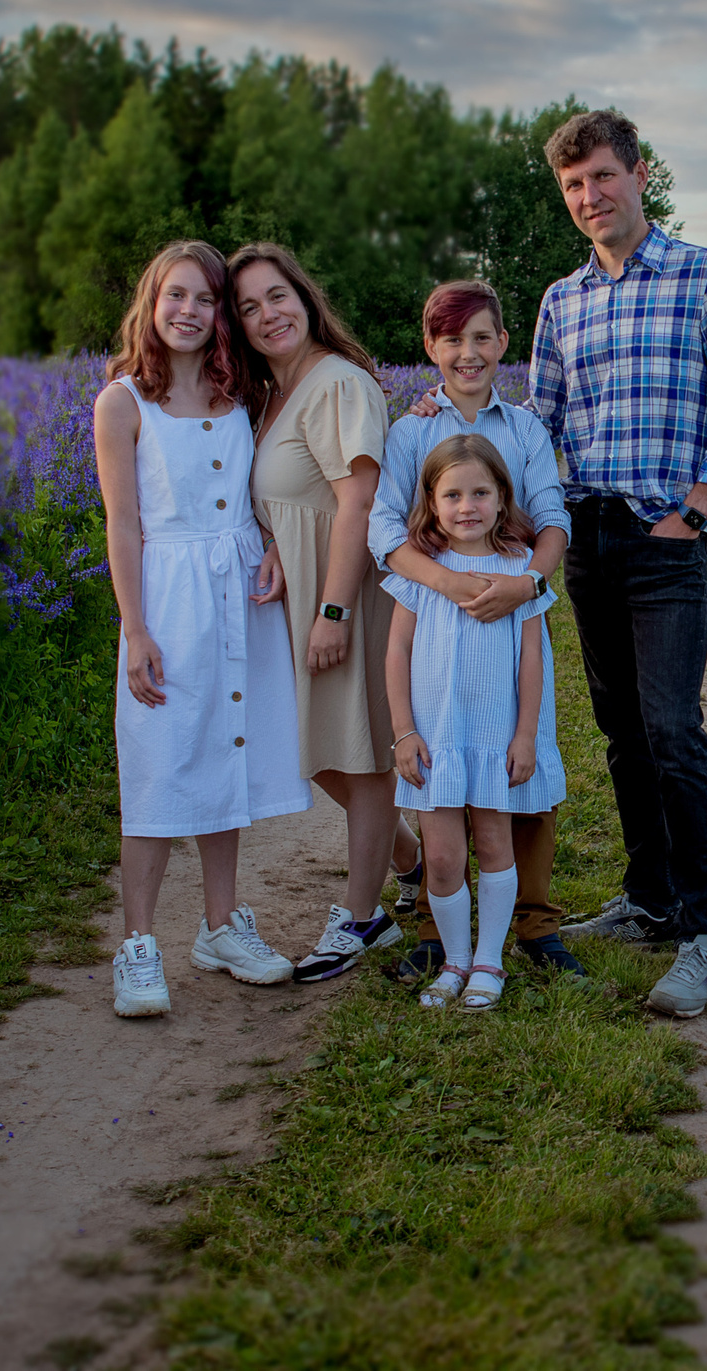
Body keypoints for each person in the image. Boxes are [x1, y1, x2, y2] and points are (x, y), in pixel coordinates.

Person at [536, 109, 707, 1019]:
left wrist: (697, 510)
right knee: (622, 730)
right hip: (589, 537)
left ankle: (703, 931)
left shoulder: (705, 275)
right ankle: (650, 898)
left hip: (665, 540)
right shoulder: (565, 299)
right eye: (573, 187)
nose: (590, 197)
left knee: (673, 731)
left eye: (601, 176)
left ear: (638, 175)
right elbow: (539, 423)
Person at [92, 241, 310, 1018]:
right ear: (152, 303)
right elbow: (123, 526)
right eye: (175, 295)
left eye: (206, 299)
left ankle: (221, 926)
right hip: (169, 600)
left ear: (221, 314)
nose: (189, 311)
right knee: (158, 765)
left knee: (227, 759)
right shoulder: (124, 402)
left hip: (240, 598)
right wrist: (136, 628)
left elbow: (270, 486)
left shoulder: (238, 396)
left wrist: (278, 544)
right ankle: (139, 942)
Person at [370, 278, 580, 980]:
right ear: (430, 347)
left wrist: (529, 583)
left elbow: (552, 516)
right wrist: (447, 583)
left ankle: (535, 925)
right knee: (444, 776)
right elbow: (383, 527)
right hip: (440, 610)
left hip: (513, 604)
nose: (469, 353)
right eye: (453, 339)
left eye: (482, 337)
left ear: (503, 344)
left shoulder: (522, 428)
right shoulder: (412, 429)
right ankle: (439, 932)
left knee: (520, 769)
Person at [231, 242, 423, 981]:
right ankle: (407, 858)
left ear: (305, 298)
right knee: (315, 750)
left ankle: (363, 917)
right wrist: (279, 543)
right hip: (300, 586)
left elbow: (359, 501)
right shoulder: (273, 393)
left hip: (344, 591)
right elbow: (292, 494)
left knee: (358, 754)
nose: (266, 314)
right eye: (248, 306)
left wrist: (335, 610)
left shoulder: (337, 382)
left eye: (276, 296)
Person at [383, 436, 565, 1010]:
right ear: (432, 503)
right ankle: (455, 960)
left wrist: (526, 734)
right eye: (453, 494)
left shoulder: (519, 572)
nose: (468, 506)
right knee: (440, 857)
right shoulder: (421, 570)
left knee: (493, 844)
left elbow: (533, 658)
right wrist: (405, 733)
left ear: (502, 497)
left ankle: (489, 961)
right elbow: (397, 654)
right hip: (435, 738)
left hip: (494, 735)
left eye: (481, 493)